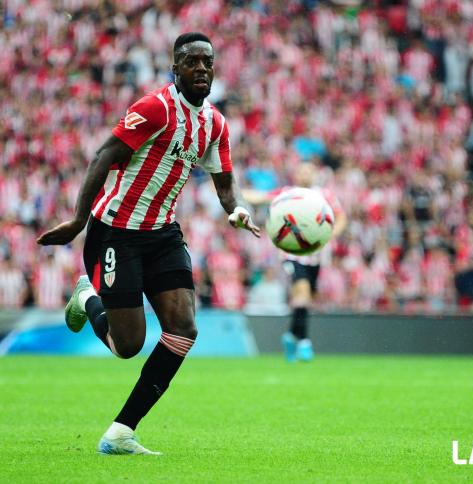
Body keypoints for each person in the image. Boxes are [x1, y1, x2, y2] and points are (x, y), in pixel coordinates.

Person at [37, 32, 260, 455]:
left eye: (207, 63)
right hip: (116, 230)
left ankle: (121, 431)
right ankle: (87, 296)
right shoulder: (155, 108)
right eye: (191, 62)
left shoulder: (215, 123)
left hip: (162, 233)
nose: (201, 69)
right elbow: (104, 155)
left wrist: (238, 210)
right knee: (128, 346)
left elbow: (226, 186)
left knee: (183, 328)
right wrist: (78, 220)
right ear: (175, 68)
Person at [243, 163, 346, 361]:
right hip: (292, 253)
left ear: (315, 174)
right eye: (301, 170)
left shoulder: (324, 195)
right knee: (303, 290)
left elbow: (341, 218)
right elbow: (261, 197)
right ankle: (305, 342)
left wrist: (330, 235)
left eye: (308, 170)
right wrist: (231, 189)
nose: (304, 174)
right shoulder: (287, 193)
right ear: (295, 174)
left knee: (305, 299)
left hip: (316, 254)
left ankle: (291, 336)